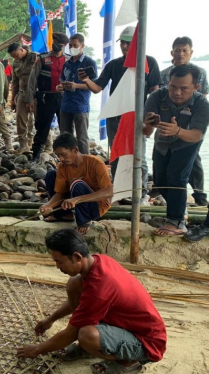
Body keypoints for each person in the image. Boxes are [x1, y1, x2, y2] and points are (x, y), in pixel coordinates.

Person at [16, 229, 166, 373]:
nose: (57, 267)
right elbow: (85, 303)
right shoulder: (99, 260)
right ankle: (93, 347)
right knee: (74, 283)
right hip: (125, 326)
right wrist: (51, 319)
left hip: (146, 343)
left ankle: (128, 362)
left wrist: (37, 349)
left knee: (86, 335)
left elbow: (71, 333)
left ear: (77, 257)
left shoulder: (100, 287)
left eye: (59, 262)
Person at [80, 26, 161, 205]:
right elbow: (97, 88)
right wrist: (86, 80)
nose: (125, 47)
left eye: (129, 43)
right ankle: (120, 190)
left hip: (138, 117)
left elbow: (155, 92)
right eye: (123, 43)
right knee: (116, 153)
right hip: (116, 117)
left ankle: (141, 192)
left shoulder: (150, 63)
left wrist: (152, 118)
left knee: (138, 153)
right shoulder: (113, 65)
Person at [144, 65, 209, 237]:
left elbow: (197, 134)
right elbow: (145, 131)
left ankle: (177, 221)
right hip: (163, 142)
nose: (177, 92)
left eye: (184, 88)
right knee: (160, 181)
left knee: (177, 177)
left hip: (187, 142)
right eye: (173, 86)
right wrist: (147, 124)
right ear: (168, 83)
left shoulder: (201, 103)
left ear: (196, 88)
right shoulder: (157, 96)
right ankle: (180, 209)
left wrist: (178, 131)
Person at [160, 37, 208, 206]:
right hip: (168, 126)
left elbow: (203, 100)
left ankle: (199, 194)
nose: (180, 54)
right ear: (172, 53)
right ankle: (170, 196)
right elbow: (160, 99)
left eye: (184, 50)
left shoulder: (200, 73)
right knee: (166, 160)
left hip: (190, 127)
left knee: (194, 160)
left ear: (191, 52)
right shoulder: (165, 73)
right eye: (177, 50)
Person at [39, 133, 113, 235]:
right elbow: (60, 193)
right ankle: (64, 215)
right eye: (58, 155)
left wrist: (77, 199)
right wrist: (48, 205)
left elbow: (109, 191)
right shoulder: (62, 166)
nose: (61, 159)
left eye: (64, 154)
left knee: (76, 183)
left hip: (95, 207)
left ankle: (84, 221)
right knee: (51, 175)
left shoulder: (96, 163)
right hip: (75, 201)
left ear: (75, 150)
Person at [27, 32, 70, 162]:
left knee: (66, 128)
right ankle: (36, 154)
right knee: (42, 127)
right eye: (54, 42)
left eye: (59, 44)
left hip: (64, 98)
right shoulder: (42, 58)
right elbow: (32, 80)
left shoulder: (68, 60)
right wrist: (30, 99)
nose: (56, 45)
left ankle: (67, 155)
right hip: (46, 97)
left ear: (65, 45)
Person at [56, 33, 97, 155]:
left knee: (82, 138)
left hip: (81, 105)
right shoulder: (67, 63)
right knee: (65, 137)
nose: (73, 47)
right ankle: (68, 162)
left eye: (76, 45)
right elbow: (62, 80)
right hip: (66, 105)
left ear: (82, 46)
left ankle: (85, 165)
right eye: (71, 45)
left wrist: (76, 85)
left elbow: (94, 86)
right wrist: (61, 87)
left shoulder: (89, 63)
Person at [8, 43, 38, 154]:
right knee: (20, 120)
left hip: (36, 94)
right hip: (22, 93)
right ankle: (23, 145)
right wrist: (13, 99)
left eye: (16, 55)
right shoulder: (15, 63)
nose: (15, 58)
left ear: (21, 49)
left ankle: (46, 145)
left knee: (40, 120)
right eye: (13, 57)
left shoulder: (35, 57)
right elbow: (15, 82)